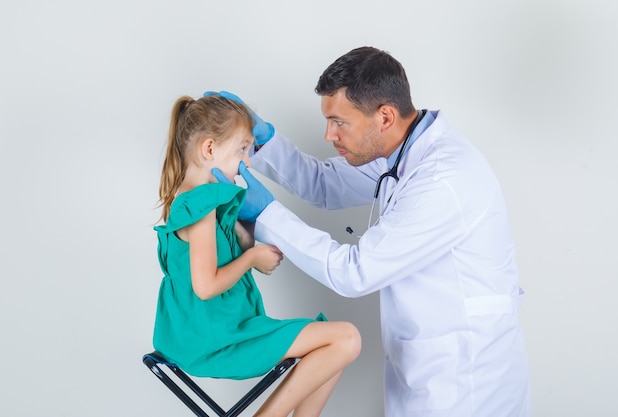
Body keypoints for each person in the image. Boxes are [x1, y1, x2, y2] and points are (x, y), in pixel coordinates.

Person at [209, 46, 532, 417]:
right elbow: (323, 184)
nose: (329, 134)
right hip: (427, 365)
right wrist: (263, 142)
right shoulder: (400, 154)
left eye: (339, 122)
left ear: (384, 116)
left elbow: (355, 273)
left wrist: (266, 214)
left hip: (465, 381)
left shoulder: (443, 178)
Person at [151, 94, 361, 417]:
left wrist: (246, 244)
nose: (248, 162)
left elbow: (214, 262)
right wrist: (251, 259)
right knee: (345, 339)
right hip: (215, 339)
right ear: (209, 149)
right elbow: (205, 286)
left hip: (210, 331)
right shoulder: (202, 205)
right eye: (242, 149)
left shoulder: (196, 200)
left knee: (339, 345)